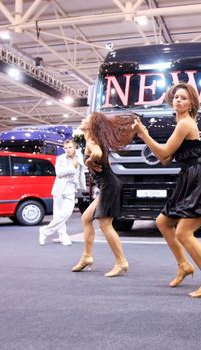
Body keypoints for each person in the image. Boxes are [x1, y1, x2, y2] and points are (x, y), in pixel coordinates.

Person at [132, 83, 201, 298]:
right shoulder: (180, 123)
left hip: (199, 178)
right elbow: (165, 159)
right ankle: (184, 265)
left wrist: (144, 134)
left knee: (183, 233)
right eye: (176, 97)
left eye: (183, 98)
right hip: (189, 177)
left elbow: (163, 151)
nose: (178, 100)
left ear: (191, 103)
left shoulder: (185, 124)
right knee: (163, 222)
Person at [71, 112, 135, 277]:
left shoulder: (92, 140)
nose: (83, 119)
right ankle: (87, 257)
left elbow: (97, 154)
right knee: (86, 218)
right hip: (108, 185)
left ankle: (121, 262)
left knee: (105, 224)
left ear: (92, 125)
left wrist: (89, 161)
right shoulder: (90, 139)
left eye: (87, 118)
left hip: (109, 186)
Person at [39, 139, 85, 246]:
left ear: (74, 148)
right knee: (58, 215)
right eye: (66, 148)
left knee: (66, 213)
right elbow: (59, 173)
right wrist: (72, 167)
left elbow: (82, 161)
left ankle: (45, 231)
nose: (68, 150)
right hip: (60, 189)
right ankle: (63, 235)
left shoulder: (79, 157)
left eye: (70, 147)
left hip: (71, 188)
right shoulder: (60, 159)